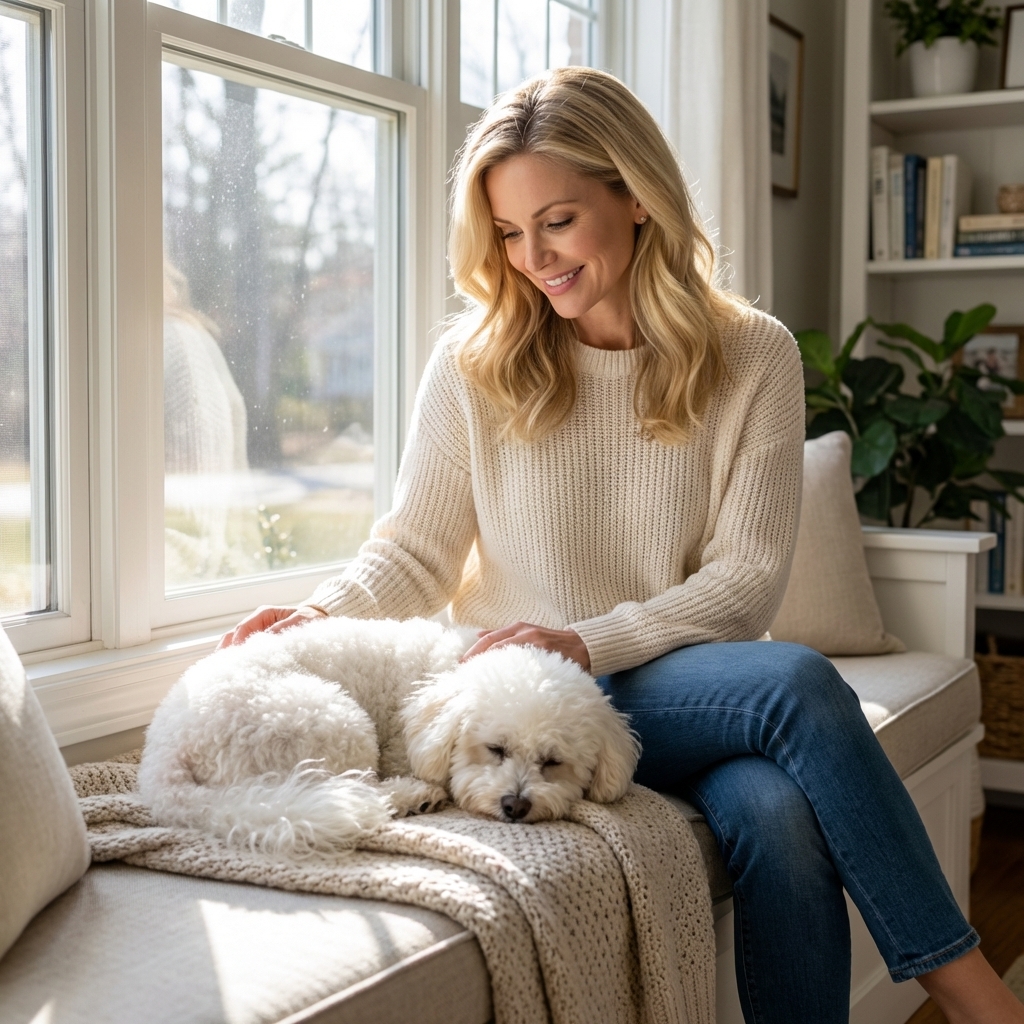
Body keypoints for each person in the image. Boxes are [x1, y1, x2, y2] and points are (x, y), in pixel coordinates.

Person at [218, 68, 1024, 1024]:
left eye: (556, 221)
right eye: (510, 234)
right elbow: (417, 552)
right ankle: (983, 1002)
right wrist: (314, 614)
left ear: (635, 195)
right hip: (531, 704)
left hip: (688, 690)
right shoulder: (472, 363)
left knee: (788, 749)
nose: (533, 256)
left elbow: (748, 581)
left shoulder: (753, 354)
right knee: (790, 751)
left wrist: (591, 642)